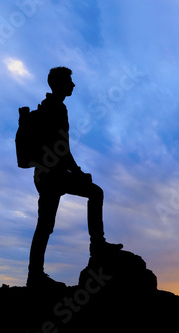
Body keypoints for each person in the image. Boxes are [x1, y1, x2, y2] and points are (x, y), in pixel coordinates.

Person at [27, 67, 123, 288]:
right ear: (59, 83)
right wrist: (78, 173)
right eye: (70, 81)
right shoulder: (57, 109)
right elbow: (62, 148)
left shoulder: (49, 107)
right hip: (53, 176)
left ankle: (35, 275)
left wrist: (75, 172)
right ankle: (96, 246)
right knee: (94, 193)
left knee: (45, 225)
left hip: (46, 175)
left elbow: (59, 148)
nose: (73, 84)